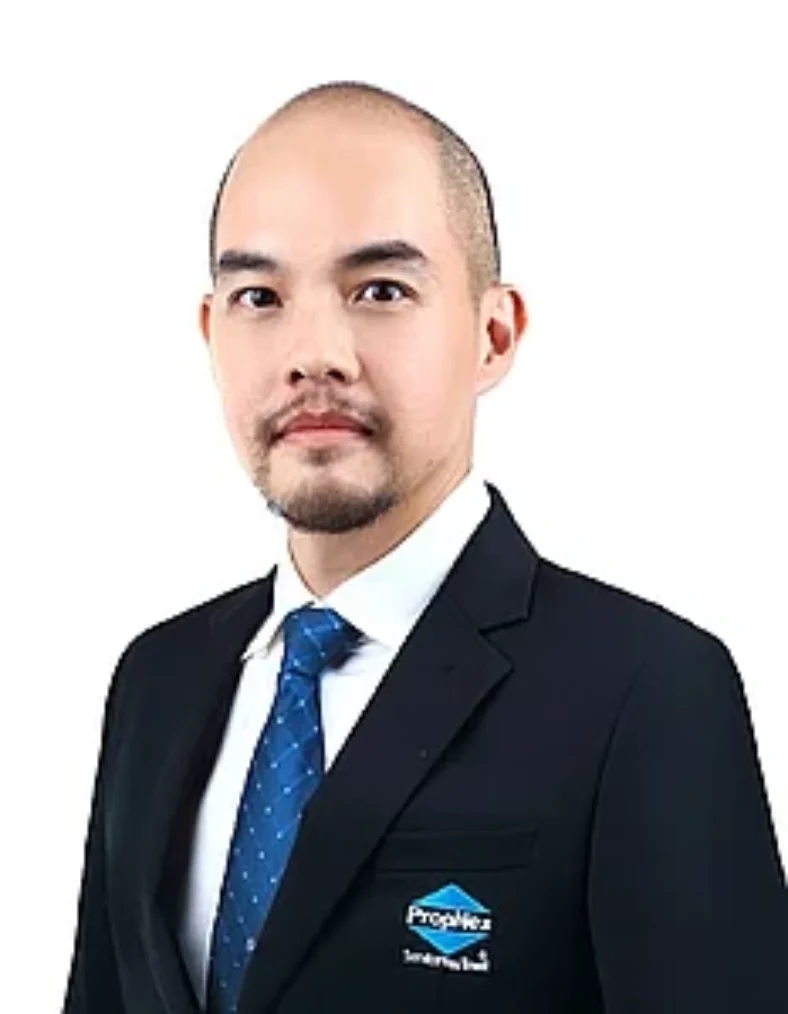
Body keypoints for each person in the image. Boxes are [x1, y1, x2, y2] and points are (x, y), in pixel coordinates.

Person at [62, 80, 788, 1014]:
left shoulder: (646, 691)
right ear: (212, 334)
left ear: (493, 334)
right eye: (259, 296)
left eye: (380, 290)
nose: (313, 353)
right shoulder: (156, 680)